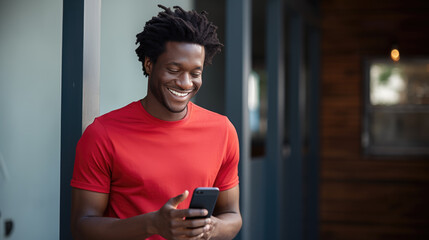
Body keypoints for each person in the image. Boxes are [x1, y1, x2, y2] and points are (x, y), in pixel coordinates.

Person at [70, 5, 242, 240]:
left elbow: (232, 215)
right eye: (174, 69)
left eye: (195, 73)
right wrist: (151, 225)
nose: (185, 82)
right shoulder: (103, 134)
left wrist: (211, 228)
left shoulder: (223, 131)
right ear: (149, 64)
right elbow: (82, 226)